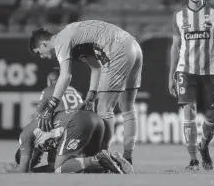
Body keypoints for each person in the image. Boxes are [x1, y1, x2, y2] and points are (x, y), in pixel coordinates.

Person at [28, 20, 143, 165]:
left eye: (39, 53)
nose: (42, 57)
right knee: (127, 108)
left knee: (104, 108)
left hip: (118, 50)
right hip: (133, 46)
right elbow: (96, 67)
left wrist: (51, 107)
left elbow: (65, 76)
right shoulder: (75, 37)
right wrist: (91, 95)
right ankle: (128, 158)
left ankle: (103, 157)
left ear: (43, 44)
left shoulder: (61, 41)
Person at [168, 0, 214, 171]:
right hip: (185, 71)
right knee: (189, 112)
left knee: (211, 116)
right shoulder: (178, 16)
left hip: (209, 72)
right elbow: (175, 46)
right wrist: (171, 75)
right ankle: (193, 159)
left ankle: (203, 146)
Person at [5, 109, 133, 174]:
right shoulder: (45, 142)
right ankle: (113, 159)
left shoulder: (24, 137)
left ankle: (97, 159)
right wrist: (35, 171)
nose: (35, 162)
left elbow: (23, 170)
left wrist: (11, 169)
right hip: (94, 119)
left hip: (77, 122)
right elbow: (50, 166)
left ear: (23, 153)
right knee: (86, 168)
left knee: (59, 169)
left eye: (31, 161)